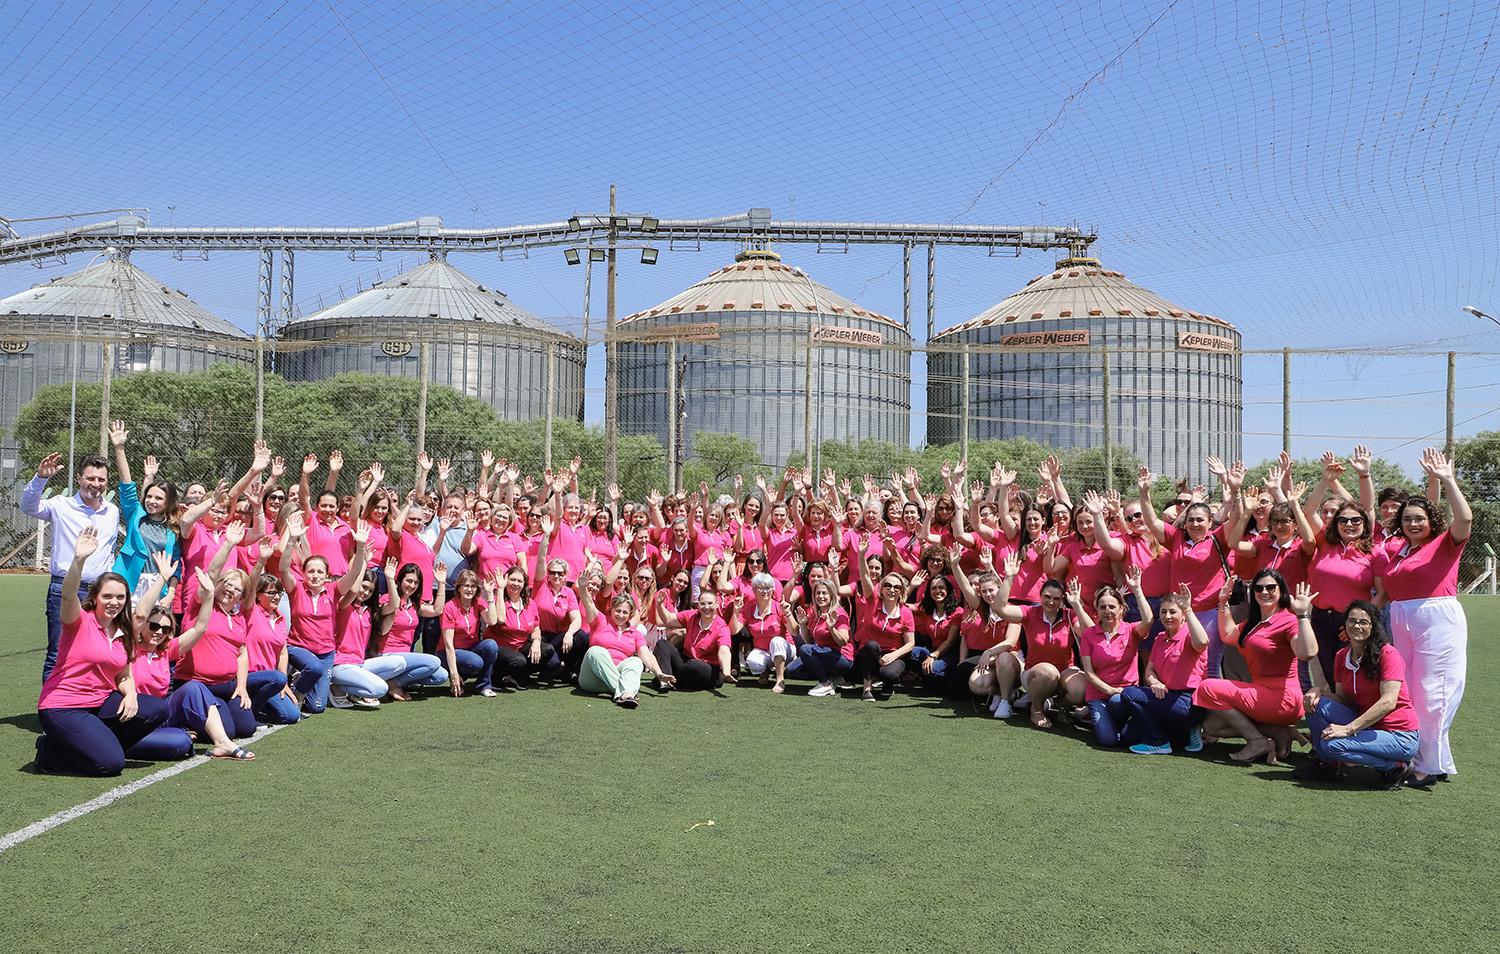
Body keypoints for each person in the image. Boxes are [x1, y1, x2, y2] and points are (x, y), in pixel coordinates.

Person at [34, 526, 170, 776]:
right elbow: (67, 596)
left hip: (100, 702)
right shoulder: (79, 621)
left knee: (157, 709)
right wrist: (79, 559)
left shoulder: (124, 631)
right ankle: (50, 751)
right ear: (95, 597)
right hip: (64, 707)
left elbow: (124, 675)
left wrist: (130, 694)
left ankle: (98, 743)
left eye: (120, 597)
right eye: (107, 596)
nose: (114, 602)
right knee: (110, 764)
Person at [1372, 448, 1471, 787]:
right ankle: (1428, 757)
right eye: (1407, 519)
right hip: (1402, 617)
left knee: (1435, 692)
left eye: (1419, 518)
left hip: (1436, 616)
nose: (1413, 523)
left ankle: (1428, 764)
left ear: (1431, 522)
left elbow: (1464, 519)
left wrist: (1445, 480)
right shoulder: (1401, 549)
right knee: (1412, 691)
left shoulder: (1445, 543)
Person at [127, 565, 256, 761]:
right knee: (179, 742)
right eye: (153, 626)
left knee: (183, 739)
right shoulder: (129, 648)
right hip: (132, 717)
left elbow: (199, 629)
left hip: (161, 714)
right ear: (142, 627)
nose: (158, 632)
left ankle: (222, 743)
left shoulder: (166, 650)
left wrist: (242, 685)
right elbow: (139, 614)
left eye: (165, 629)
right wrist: (163, 578)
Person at [1194, 571, 1319, 764]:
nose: (1264, 592)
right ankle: (1280, 732)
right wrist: (1223, 602)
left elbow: (1307, 653)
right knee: (1213, 727)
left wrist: (1302, 615)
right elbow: (1228, 635)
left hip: (1283, 698)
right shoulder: (1254, 623)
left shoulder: (1288, 620)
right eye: (1259, 588)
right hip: (1263, 694)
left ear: (1281, 591)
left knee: (1208, 687)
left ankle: (1257, 741)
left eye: (1271, 587)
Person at [22, 451, 122, 681]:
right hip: (64, 589)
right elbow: (28, 507)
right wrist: (40, 478)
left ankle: (85, 702)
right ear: (79, 478)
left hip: (100, 593)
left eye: (101, 479)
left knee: (96, 652)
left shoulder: (112, 512)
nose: (95, 484)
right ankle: (50, 708)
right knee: (59, 652)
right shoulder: (61, 505)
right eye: (90, 478)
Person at [1300, 601, 1420, 789]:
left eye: (1364, 622)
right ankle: (1329, 764)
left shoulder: (1388, 654)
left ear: (1373, 626)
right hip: (1369, 725)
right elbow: (1343, 700)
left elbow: (1388, 702)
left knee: (1332, 746)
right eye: (1352, 621)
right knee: (1315, 704)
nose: (1357, 626)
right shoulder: (1342, 656)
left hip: (1399, 735)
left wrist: (1348, 729)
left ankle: (1396, 766)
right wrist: (1317, 691)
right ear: (1345, 624)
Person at [279, 510, 371, 713]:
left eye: (320, 571)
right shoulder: (297, 589)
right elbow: (284, 569)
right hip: (298, 647)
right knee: (314, 668)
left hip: (326, 652)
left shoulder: (333, 589)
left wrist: (361, 547)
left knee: (317, 707)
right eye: (310, 571)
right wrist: (292, 540)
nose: (315, 575)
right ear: (304, 573)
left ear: (327, 575)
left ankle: (302, 683)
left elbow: (354, 573)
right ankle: (298, 692)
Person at [1069, 569, 1154, 748]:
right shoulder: (1090, 635)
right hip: (1099, 695)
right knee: (1108, 741)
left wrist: (1138, 590)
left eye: (1112, 606)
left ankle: (1121, 720)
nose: (1107, 611)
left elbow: (1148, 620)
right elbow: (1089, 674)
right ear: (1097, 610)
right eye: (1102, 607)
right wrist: (1109, 690)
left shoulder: (1131, 630)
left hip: (1125, 695)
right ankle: (1107, 721)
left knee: (1119, 706)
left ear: (1121, 608)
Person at [1123, 585, 1209, 754]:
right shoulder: (1160, 637)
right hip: (1164, 697)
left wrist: (1189, 609)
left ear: (1183, 614)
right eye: (1163, 612)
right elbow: (1149, 670)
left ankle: (1159, 741)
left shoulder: (1189, 633)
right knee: (1127, 737)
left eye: (1173, 612)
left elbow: (1202, 642)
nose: (1167, 616)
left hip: (1187, 701)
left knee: (1129, 694)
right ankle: (1180, 734)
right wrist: (1155, 682)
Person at [106, 420, 181, 603]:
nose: (152, 501)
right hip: (129, 583)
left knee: (154, 630)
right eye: (149, 497)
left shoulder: (173, 530)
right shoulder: (136, 516)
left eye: (158, 498)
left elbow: (175, 566)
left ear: (168, 502)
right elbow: (127, 486)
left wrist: (170, 593)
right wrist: (119, 448)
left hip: (158, 586)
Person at [578, 587, 675, 707]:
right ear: (611, 610)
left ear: (630, 615)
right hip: (592, 679)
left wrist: (659, 673)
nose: (621, 615)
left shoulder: (635, 633)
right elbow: (588, 602)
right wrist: (583, 587)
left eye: (625, 612)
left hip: (614, 675)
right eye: (618, 611)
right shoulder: (600, 621)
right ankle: (625, 690)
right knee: (595, 651)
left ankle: (624, 694)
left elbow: (647, 655)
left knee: (636, 661)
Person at [490, 564, 563, 688]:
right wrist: (500, 590)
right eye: (512, 580)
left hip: (520, 646)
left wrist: (535, 642)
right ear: (505, 580)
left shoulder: (530, 603)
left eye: (519, 581)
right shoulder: (497, 600)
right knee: (519, 661)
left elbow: (535, 627)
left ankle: (518, 675)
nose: (516, 584)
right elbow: (500, 619)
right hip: (501, 647)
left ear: (524, 584)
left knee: (547, 650)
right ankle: (498, 676)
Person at [654, 589, 737, 691]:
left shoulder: (722, 627)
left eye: (710, 603)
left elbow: (724, 651)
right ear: (698, 606)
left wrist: (727, 672)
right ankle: (665, 681)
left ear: (717, 605)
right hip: (686, 662)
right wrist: (659, 605)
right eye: (702, 604)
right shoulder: (692, 615)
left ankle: (673, 680)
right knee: (662, 644)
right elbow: (668, 619)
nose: (706, 607)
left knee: (697, 666)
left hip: (707, 668)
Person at [729, 573, 797, 692]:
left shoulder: (779, 607)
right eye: (761, 587)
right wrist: (735, 612)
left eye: (768, 587)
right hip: (763, 651)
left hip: (785, 650)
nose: (765, 591)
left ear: (772, 590)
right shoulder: (749, 609)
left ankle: (780, 680)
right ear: (754, 590)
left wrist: (788, 613)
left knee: (776, 641)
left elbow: (794, 632)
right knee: (752, 661)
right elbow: (734, 630)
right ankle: (765, 671)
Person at [440, 568, 499, 697]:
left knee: (491, 645)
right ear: (459, 588)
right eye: (466, 585)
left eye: (473, 586)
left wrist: (489, 594)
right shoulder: (450, 607)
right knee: (476, 662)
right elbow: (448, 644)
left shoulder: (477, 603)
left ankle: (484, 685)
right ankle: (458, 678)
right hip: (449, 652)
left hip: (470, 649)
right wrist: (454, 674)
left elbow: (492, 621)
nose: (469, 589)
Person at [794, 578, 853, 697]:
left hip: (842, 658)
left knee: (805, 650)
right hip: (823, 654)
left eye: (824, 593)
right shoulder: (815, 613)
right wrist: (803, 625)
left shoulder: (839, 613)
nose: (820, 596)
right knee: (793, 670)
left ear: (831, 595)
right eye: (818, 593)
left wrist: (831, 628)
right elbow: (809, 641)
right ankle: (835, 678)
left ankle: (825, 683)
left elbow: (843, 641)